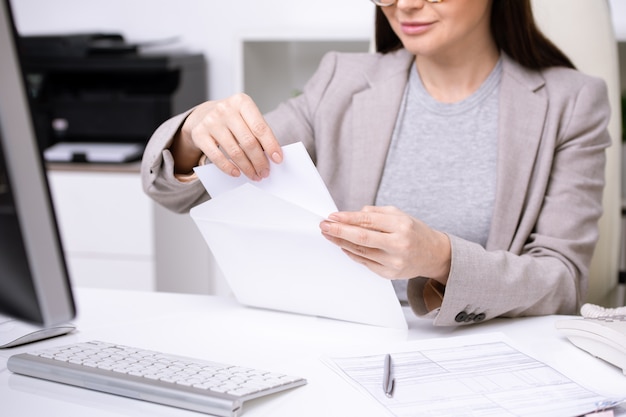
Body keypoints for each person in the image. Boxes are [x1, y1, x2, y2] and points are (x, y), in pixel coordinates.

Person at [141, 0, 611, 326]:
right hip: (343, 338)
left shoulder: (570, 102)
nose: (405, 6)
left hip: (479, 348)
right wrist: (191, 138)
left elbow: (562, 282)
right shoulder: (341, 82)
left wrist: (442, 258)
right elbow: (182, 192)